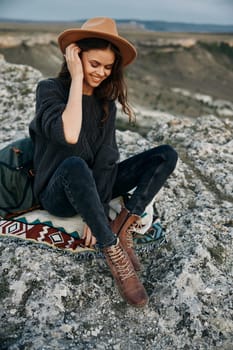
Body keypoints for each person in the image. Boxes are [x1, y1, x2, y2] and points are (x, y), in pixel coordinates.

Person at [29, 17, 178, 308]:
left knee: (166, 155)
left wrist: (94, 204)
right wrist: (75, 80)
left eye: (108, 67)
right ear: (76, 58)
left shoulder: (105, 102)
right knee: (75, 164)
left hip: (94, 185)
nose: (101, 73)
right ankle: (112, 249)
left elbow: (107, 157)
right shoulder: (49, 90)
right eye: (94, 64)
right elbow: (69, 134)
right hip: (58, 191)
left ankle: (123, 224)